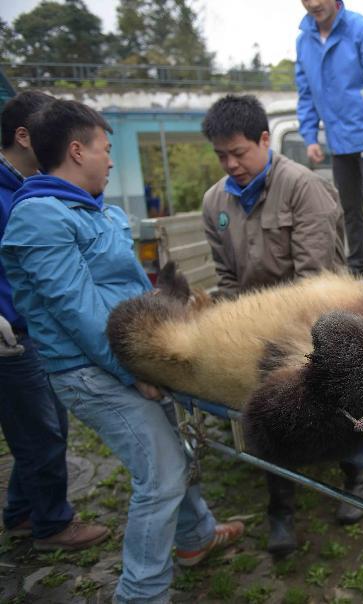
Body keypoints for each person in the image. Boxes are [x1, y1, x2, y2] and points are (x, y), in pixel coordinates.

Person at [0, 99, 243, 603]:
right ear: (75, 150)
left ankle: (196, 539)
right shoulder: (39, 219)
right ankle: (141, 594)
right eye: (105, 149)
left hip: (128, 358)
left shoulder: (94, 211)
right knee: (160, 475)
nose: (111, 160)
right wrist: (132, 370)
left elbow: (129, 291)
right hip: (92, 370)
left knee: (174, 452)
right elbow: (79, 312)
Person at [200, 94, 363, 557]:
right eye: (221, 156)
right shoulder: (215, 202)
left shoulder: (303, 188)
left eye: (239, 153)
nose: (231, 164)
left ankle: (356, 476)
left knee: (336, 406)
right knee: (267, 418)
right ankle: (281, 509)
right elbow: (228, 280)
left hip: (313, 322)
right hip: (256, 333)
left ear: (265, 140)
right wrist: (233, 333)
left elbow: (312, 281)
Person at [0, 91, 110, 551]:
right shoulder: (33, 206)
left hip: (31, 332)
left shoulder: (33, 192)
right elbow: (72, 301)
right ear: (25, 135)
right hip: (14, 336)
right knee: (43, 433)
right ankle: (51, 524)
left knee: (42, 429)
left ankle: (22, 512)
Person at [295, 0, 363, 295]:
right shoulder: (304, 40)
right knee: (349, 210)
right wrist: (309, 136)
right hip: (339, 140)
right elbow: (306, 94)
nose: (313, 3)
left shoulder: (361, 29)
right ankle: (358, 273)